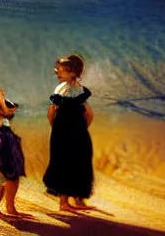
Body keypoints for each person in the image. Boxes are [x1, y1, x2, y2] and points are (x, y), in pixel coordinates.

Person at [43, 54, 95, 211]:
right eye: (57, 70)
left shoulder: (75, 89)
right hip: (67, 132)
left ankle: (76, 198)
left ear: (72, 72)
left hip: (68, 131)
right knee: (65, 162)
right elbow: (51, 113)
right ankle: (64, 203)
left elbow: (52, 115)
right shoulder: (63, 89)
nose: (57, 72)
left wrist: (65, 128)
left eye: (61, 71)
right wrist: (78, 129)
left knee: (77, 160)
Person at [0, 90, 30, 218]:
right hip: (1, 144)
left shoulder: (2, 116)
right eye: (2, 101)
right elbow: (10, 109)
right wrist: (1, 100)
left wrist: (3, 100)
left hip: (4, 142)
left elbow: (13, 108)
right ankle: (7, 207)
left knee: (5, 179)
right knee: (9, 178)